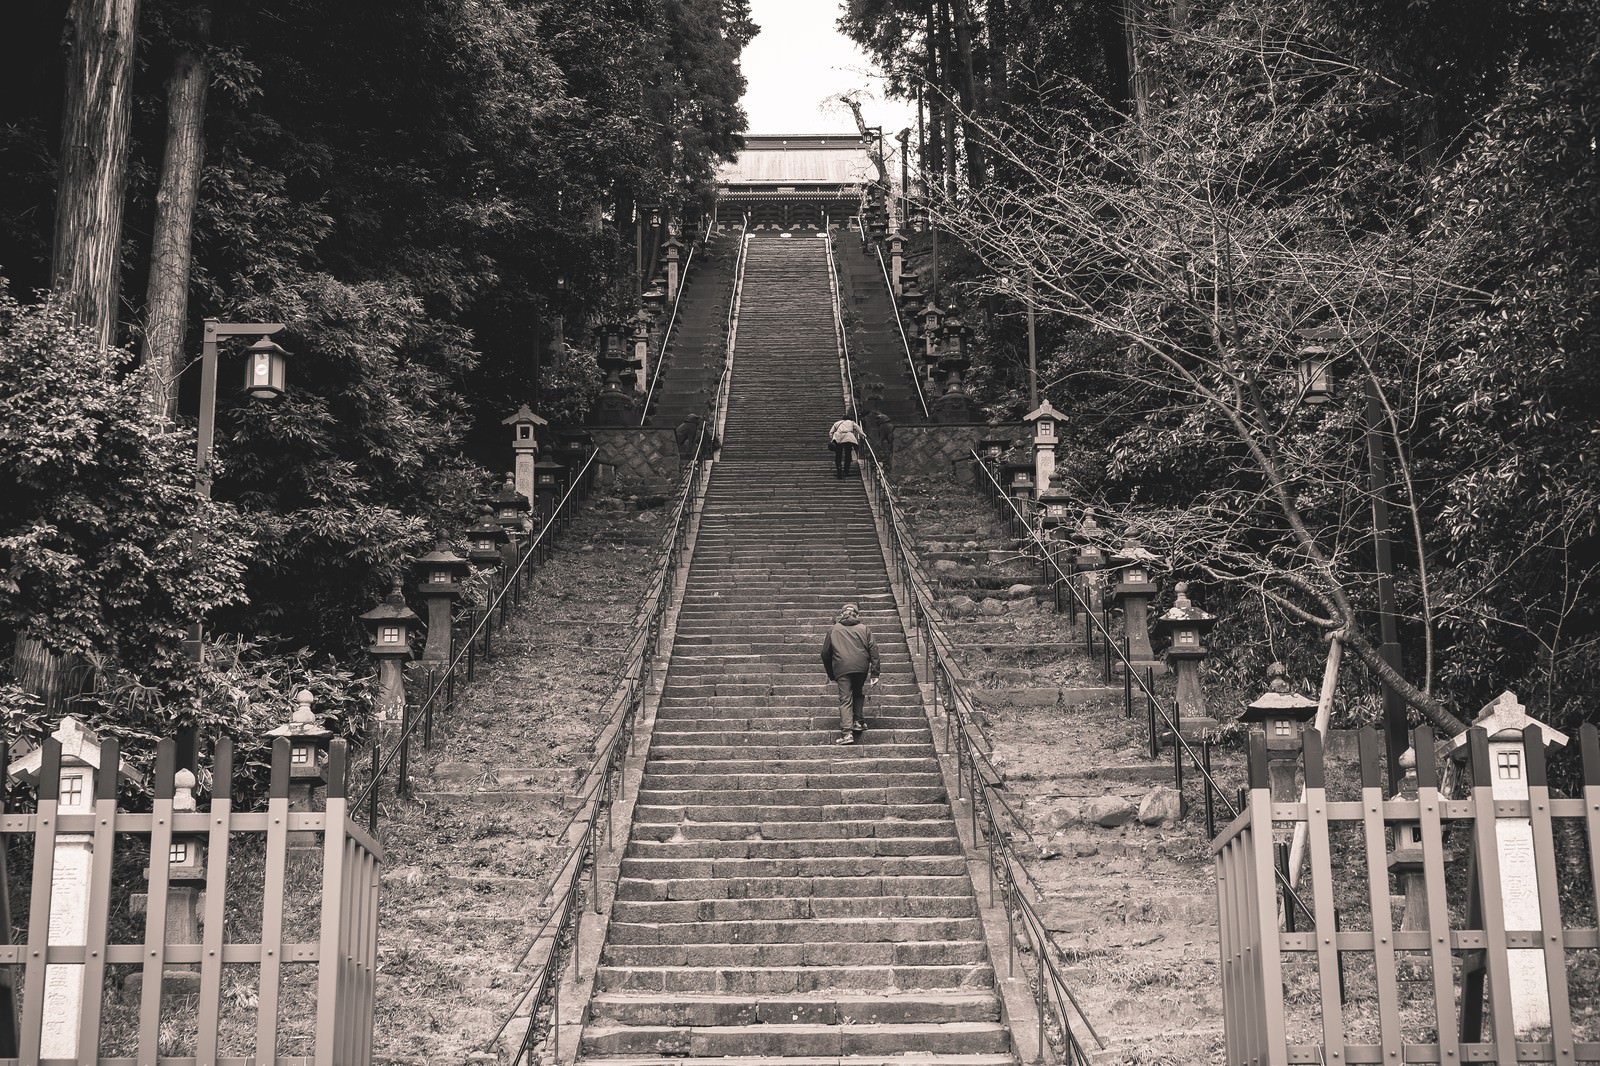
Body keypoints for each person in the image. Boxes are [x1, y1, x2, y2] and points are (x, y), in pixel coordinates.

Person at [820, 602, 880, 744]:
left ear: (841, 614)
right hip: (861, 667)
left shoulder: (833, 630)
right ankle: (858, 722)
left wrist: (831, 673)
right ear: (857, 615)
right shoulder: (864, 629)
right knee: (858, 692)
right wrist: (875, 673)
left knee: (845, 699)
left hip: (842, 668)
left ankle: (847, 734)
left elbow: (825, 653)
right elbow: (874, 651)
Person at [829, 412, 863, 478]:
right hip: (848, 438)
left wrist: (833, 439)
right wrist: (863, 436)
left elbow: (831, 432)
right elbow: (859, 429)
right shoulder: (852, 422)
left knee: (838, 455)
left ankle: (839, 471)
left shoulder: (837, 423)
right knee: (848, 455)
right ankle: (846, 471)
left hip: (838, 438)